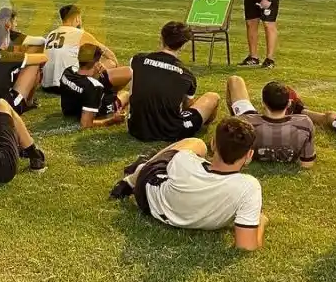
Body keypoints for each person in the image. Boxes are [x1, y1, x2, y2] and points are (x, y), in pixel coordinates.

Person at [110, 117, 266, 249]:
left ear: (213, 144)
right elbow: (246, 246)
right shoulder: (249, 187)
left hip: (148, 199)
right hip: (158, 202)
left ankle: (131, 179)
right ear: (249, 155)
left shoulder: (184, 160)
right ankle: (139, 170)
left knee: (196, 143)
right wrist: (261, 221)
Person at [127, 22, 220, 142]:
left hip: (136, 128)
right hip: (170, 131)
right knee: (213, 97)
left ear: (161, 38)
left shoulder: (137, 60)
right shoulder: (187, 76)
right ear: (184, 45)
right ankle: (203, 125)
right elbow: (187, 107)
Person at [224, 76, 316, 167]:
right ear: (288, 103)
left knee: (235, 80)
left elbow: (242, 161)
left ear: (263, 103)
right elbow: (307, 164)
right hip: (257, 122)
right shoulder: (304, 123)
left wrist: (235, 119)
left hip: (252, 121)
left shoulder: (244, 123)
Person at [41, 4, 117, 90]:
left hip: (47, 85)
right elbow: (109, 55)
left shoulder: (51, 34)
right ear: (77, 18)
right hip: (69, 85)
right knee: (111, 62)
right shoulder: (80, 34)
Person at [59, 43, 133, 129]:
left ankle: (112, 94)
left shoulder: (68, 71)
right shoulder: (94, 87)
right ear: (97, 64)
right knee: (126, 95)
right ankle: (114, 99)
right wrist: (112, 120)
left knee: (127, 72)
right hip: (97, 106)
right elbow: (86, 124)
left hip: (73, 105)